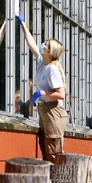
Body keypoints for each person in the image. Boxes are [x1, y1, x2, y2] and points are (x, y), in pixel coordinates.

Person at [16, 11, 68, 163]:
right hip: (45, 109)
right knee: (46, 150)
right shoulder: (41, 62)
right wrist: (23, 24)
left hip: (54, 111)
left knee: (54, 151)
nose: (42, 45)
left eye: (46, 45)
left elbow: (61, 94)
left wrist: (41, 93)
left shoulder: (52, 69)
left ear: (50, 52)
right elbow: (31, 43)